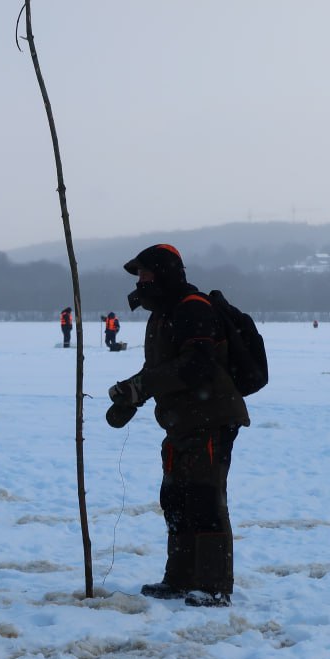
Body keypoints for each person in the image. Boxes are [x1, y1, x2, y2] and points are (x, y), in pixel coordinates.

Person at [105, 243, 248, 608]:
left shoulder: (192, 309)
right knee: (175, 499)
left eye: (145, 273)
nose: (140, 281)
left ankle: (213, 586)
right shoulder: (162, 315)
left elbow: (195, 367)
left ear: (164, 273)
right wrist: (132, 396)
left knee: (205, 498)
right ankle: (181, 578)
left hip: (211, 418)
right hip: (181, 423)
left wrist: (142, 386)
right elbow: (162, 372)